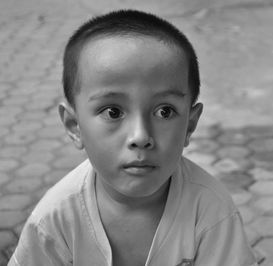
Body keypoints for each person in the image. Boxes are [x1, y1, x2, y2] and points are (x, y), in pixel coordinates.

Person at [9, 10, 258, 266]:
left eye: (165, 111)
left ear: (190, 125)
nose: (140, 136)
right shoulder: (55, 219)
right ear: (75, 126)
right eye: (113, 112)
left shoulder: (209, 209)